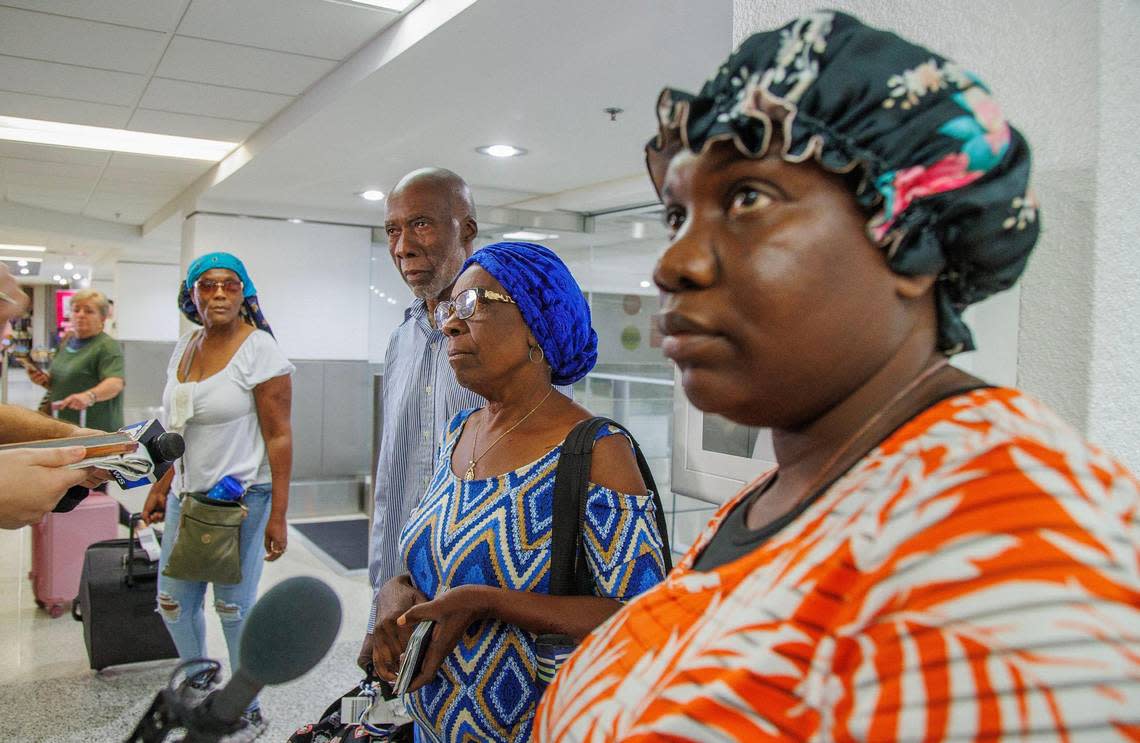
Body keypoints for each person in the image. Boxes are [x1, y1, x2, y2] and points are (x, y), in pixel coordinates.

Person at [536, 11, 1140, 741]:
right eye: (676, 215)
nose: (672, 264)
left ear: (909, 235)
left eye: (747, 199)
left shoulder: (1013, 565)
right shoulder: (803, 486)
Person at [372, 241, 668, 743]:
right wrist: (394, 590)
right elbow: (445, 553)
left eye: (473, 304)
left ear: (538, 323)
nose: (449, 324)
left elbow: (642, 618)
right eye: (449, 308)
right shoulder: (459, 433)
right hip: (430, 725)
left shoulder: (596, 451)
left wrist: (486, 602)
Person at [142, 252, 293, 743]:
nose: (220, 294)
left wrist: (280, 516)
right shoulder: (185, 348)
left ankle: (244, 707)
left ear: (245, 292)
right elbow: (177, 428)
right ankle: (200, 682)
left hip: (244, 500)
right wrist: (162, 485)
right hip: (189, 497)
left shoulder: (260, 350)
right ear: (193, 296)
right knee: (171, 601)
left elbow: (280, 437)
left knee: (234, 608)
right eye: (207, 286)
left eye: (230, 284)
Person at [359, 168, 487, 667]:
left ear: (467, 231)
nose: (403, 247)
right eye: (393, 230)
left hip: (473, 605)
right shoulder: (402, 340)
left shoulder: (504, 339)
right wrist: (379, 602)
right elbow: (393, 478)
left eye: (422, 225)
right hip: (396, 596)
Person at [0, 271, 106, 528]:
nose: (7, 335)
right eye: (2, 320)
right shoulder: (67, 344)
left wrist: (70, 434)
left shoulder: (105, 346)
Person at [28, 289, 125, 432]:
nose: (80, 315)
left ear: (103, 318)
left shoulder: (107, 346)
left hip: (94, 428)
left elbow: (115, 383)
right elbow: (66, 381)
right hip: (64, 423)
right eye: (76, 310)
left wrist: (89, 396)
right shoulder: (67, 341)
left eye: (89, 311)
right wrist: (44, 380)